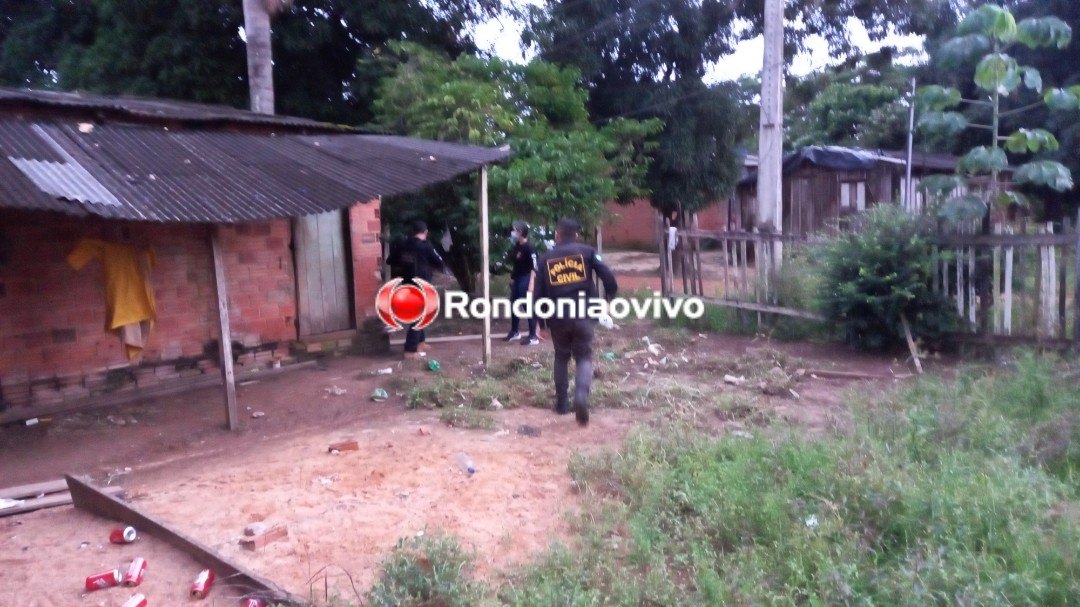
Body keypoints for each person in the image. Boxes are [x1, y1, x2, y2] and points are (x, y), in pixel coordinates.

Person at [533, 217, 617, 426]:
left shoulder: (545, 258)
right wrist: (608, 299)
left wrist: (539, 322)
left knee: (561, 357)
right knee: (584, 357)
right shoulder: (587, 252)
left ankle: (562, 404)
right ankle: (581, 395)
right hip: (585, 314)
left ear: (557, 234)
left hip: (557, 316)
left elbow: (538, 293)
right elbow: (608, 277)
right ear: (576, 235)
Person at [386, 220, 446, 358]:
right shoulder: (426, 246)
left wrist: (404, 264)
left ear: (413, 232)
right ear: (426, 232)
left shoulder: (402, 245)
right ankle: (410, 350)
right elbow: (439, 262)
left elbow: (390, 260)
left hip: (406, 284)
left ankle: (421, 342)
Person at [504, 221, 539, 345]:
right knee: (513, 304)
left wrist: (531, 283)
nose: (513, 233)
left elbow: (535, 266)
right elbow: (516, 265)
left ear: (521, 232)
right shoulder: (516, 246)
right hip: (517, 278)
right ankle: (514, 332)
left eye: (515, 230)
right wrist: (512, 278)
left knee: (527, 306)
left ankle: (533, 336)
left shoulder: (530, 247)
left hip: (527, 278)